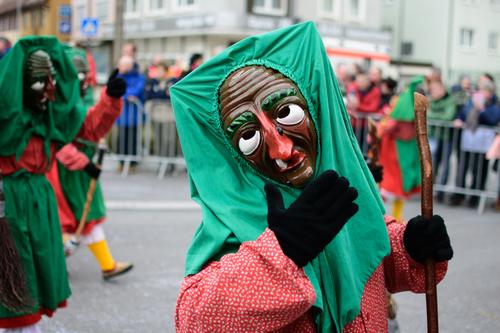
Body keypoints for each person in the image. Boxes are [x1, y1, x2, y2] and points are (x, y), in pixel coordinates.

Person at [171, 22, 452, 332]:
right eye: (249, 135)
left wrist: (409, 247)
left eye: (287, 113)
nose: (282, 149)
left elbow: (370, 251)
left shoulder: (334, 190)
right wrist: (283, 250)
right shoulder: (235, 224)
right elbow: (194, 321)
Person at [0, 36, 125, 332]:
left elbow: (86, 127)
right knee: (15, 282)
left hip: (38, 201)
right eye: (38, 82)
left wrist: (110, 99)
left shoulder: (50, 115)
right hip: (9, 203)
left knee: (36, 274)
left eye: (49, 82)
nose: (45, 91)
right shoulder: (6, 113)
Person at [45, 46, 133, 280]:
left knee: (88, 216)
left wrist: (111, 98)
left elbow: (92, 126)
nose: (83, 82)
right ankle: (51, 266)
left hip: (75, 171)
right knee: (56, 219)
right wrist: (82, 162)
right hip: (55, 172)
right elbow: (51, 139)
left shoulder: (73, 100)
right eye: (79, 77)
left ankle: (106, 264)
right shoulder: (48, 101)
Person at [378, 76, 424, 220]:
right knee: (398, 188)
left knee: (389, 185)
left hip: (395, 152)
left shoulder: (403, 109)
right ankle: (396, 217)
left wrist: (378, 131)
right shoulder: (412, 111)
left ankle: (385, 215)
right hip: (404, 152)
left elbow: (389, 127)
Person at [450, 77, 500, 207]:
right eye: (480, 90)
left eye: (484, 91)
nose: (481, 93)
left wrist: (482, 109)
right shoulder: (470, 103)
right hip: (468, 142)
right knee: (463, 168)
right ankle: (459, 194)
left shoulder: (494, 106)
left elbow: (493, 119)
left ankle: (475, 197)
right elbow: (462, 114)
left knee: (479, 171)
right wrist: (458, 119)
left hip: (483, 144)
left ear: (490, 93)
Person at [427, 80, 458, 202]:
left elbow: (448, 116)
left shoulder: (450, 100)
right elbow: (426, 113)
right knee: (432, 164)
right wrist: (435, 114)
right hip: (434, 135)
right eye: (432, 90)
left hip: (446, 137)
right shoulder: (431, 100)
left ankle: (441, 191)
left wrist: (433, 114)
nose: (433, 92)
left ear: (442, 89)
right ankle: (430, 190)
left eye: (435, 90)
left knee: (445, 164)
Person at [115, 55, 145, 172]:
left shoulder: (138, 76)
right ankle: (121, 162)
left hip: (134, 114)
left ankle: (132, 163)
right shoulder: (118, 75)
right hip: (122, 114)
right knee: (121, 138)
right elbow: (115, 88)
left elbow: (137, 90)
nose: (120, 67)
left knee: (132, 138)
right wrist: (127, 95)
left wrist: (124, 95)